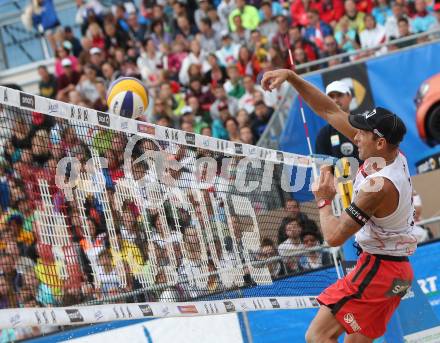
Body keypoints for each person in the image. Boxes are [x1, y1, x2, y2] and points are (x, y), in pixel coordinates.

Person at [261, 68, 416, 342]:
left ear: (379, 141)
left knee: (317, 336)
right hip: (396, 270)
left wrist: (323, 199)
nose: (354, 136)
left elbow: (333, 237)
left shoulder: (376, 188)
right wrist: (292, 77)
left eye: (362, 133)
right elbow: (330, 112)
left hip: (379, 269)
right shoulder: (393, 154)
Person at [315, 80, 360, 160]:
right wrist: (327, 171)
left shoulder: (363, 125)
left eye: (339, 95)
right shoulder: (324, 133)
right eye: (331, 97)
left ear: (349, 97)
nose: (335, 100)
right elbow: (323, 164)